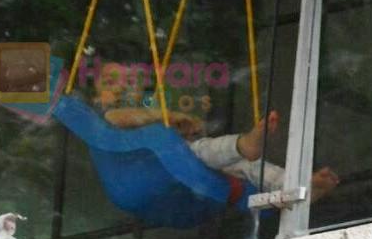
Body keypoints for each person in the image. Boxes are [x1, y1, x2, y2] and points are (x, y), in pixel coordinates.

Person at [93, 62, 339, 202]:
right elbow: (122, 117)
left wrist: (189, 122)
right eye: (110, 83)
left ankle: (296, 187)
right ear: (96, 95)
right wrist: (168, 115)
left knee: (245, 166)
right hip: (150, 168)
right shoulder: (107, 116)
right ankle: (245, 144)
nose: (121, 88)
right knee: (203, 150)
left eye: (129, 82)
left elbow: (156, 118)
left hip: (176, 160)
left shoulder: (147, 106)